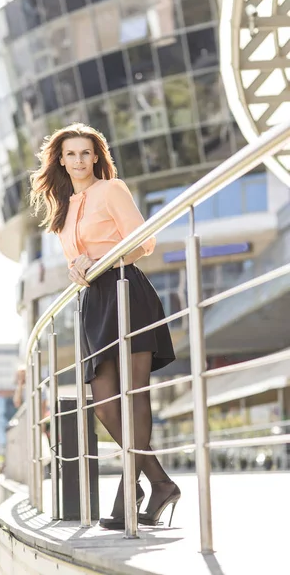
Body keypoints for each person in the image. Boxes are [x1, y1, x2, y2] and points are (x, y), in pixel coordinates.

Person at [30, 123, 180, 530]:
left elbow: (144, 242)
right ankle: (157, 482)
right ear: (60, 160)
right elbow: (76, 258)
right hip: (95, 302)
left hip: (125, 288)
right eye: (71, 154)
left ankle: (133, 491)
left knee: (133, 396)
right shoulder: (62, 208)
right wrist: (76, 266)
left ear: (96, 157)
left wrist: (95, 262)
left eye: (85, 153)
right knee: (103, 400)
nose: (78, 160)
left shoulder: (112, 190)